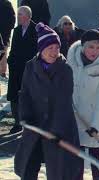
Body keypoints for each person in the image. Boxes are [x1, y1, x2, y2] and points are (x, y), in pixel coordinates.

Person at [14, 22, 81, 180]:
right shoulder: (30, 67)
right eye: (50, 48)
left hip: (58, 129)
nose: (54, 52)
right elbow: (25, 94)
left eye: (57, 48)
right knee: (29, 168)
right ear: (41, 49)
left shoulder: (65, 69)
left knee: (58, 172)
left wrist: (55, 130)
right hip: (35, 127)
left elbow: (64, 103)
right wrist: (25, 117)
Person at [67, 29, 99, 180]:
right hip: (75, 117)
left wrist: (95, 124)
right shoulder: (72, 62)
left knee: (96, 158)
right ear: (83, 46)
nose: (94, 51)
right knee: (76, 159)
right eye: (90, 46)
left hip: (97, 118)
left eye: (98, 47)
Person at [7, 6, 38, 134]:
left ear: (27, 16)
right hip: (15, 69)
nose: (17, 17)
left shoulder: (36, 30)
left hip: (29, 69)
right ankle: (17, 123)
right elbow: (13, 49)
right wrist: (10, 61)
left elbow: (37, 51)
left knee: (29, 96)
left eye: (20, 14)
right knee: (14, 96)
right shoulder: (17, 30)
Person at [0, 0, 16, 78]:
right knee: (4, 52)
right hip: (5, 33)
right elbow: (13, 18)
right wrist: (10, 27)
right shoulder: (8, 4)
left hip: (3, 32)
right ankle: (3, 72)